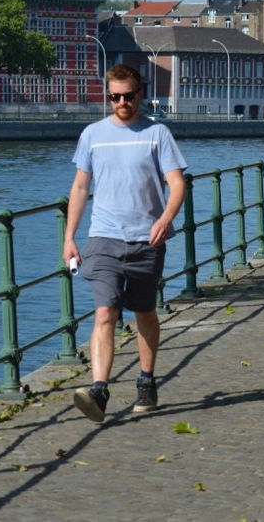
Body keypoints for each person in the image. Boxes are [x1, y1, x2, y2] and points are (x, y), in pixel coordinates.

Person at [64, 63, 187, 422]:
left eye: (128, 96)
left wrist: (165, 219)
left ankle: (146, 382)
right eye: (114, 96)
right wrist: (69, 237)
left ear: (140, 94)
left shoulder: (157, 134)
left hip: (146, 238)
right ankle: (99, 390)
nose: (121, 102)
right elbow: (80, 187)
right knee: (105, 311)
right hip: (103, 237)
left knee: (144, 311)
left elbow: (177, 184)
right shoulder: (92, 135)